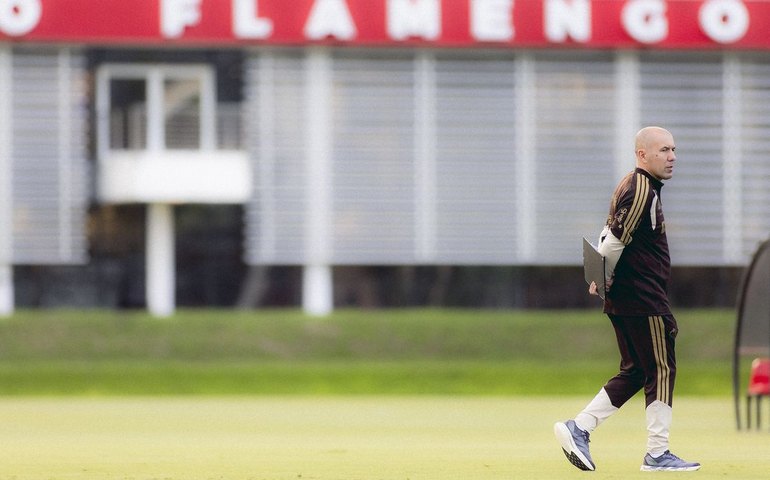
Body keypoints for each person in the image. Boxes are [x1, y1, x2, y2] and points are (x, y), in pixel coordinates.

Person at [554, 126, 700, 472]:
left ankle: (580, 427)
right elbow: (616, 238)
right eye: (664, 150)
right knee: (662, 369)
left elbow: (609, 232)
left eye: (674, 149)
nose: (672, 157)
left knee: (636, 371)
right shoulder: (641, 189)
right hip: (643, 297)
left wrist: (601, 274)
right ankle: (658, 453)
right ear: (642, 154)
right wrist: (601, 273)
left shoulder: (632, 185)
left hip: (627, 296)